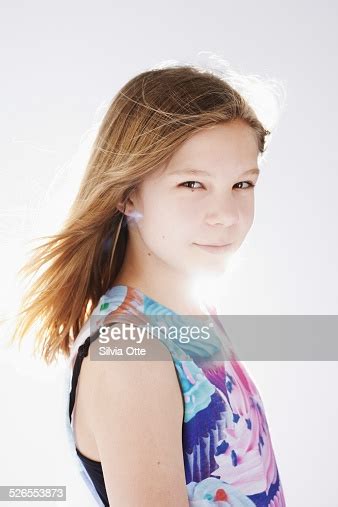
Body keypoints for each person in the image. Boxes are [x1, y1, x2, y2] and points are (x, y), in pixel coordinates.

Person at [11, 64, 286, 506]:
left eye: (242, 184)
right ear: (128, 193)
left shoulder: (186, 317)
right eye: (192, 183)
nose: (228, 214)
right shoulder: (131, 352)